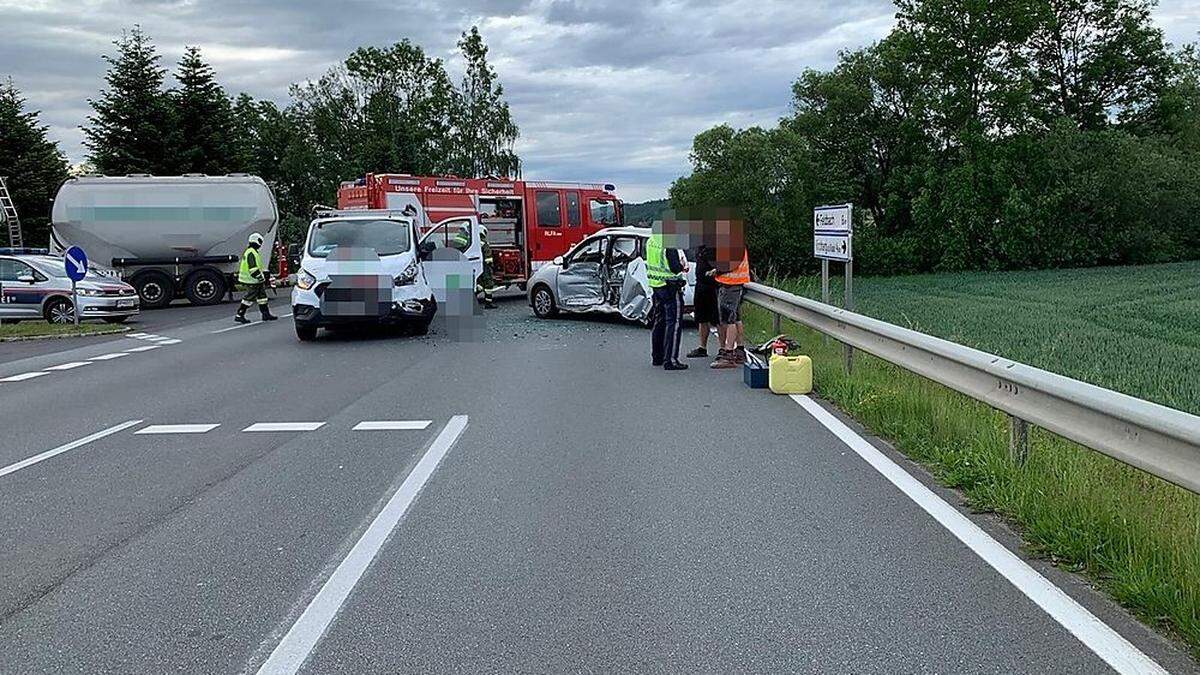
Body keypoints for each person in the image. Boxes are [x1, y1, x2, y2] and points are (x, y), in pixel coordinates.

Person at [647, 227, 689, 370]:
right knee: (674, 323)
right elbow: (674, 268)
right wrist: (682, 266)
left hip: (656, 286)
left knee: (659, 321)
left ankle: (657, 357)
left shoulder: (652, 240)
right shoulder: (669, 244)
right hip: (670, 286)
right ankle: (670, 359)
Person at [710, 246, 750, 369]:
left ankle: (728, 355)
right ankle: (739, 350)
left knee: (729, 320)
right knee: (736, 318)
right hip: (735, 282)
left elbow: (728, 265)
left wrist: (716, 271)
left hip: (730, 284)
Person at [234, 232, 277, 324]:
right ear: (256, 241)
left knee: (262, 298)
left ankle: (266, 314)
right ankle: (239, 314)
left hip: (254, 280)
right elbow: (253, 269)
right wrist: (261, 278)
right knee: (249, 298)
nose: (260, 244)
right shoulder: (251, 253)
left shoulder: (252, 252)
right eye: (260, 242)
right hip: (251, 280)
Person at [686, 243, 719, 359]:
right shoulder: (700, 247)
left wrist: (716, 271)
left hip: (714, 285)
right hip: (700, 284)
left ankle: (724, 349)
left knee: (717, 319)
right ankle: (702, 347)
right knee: (701, 317)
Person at [477, 225, 497, 309]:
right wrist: (491, 266)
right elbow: (488, 258)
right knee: (488, 284)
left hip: (478, 266)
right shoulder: (484, 244)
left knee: (480, 284)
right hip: (485, 267)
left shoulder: (476, 242)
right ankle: (488, 304)